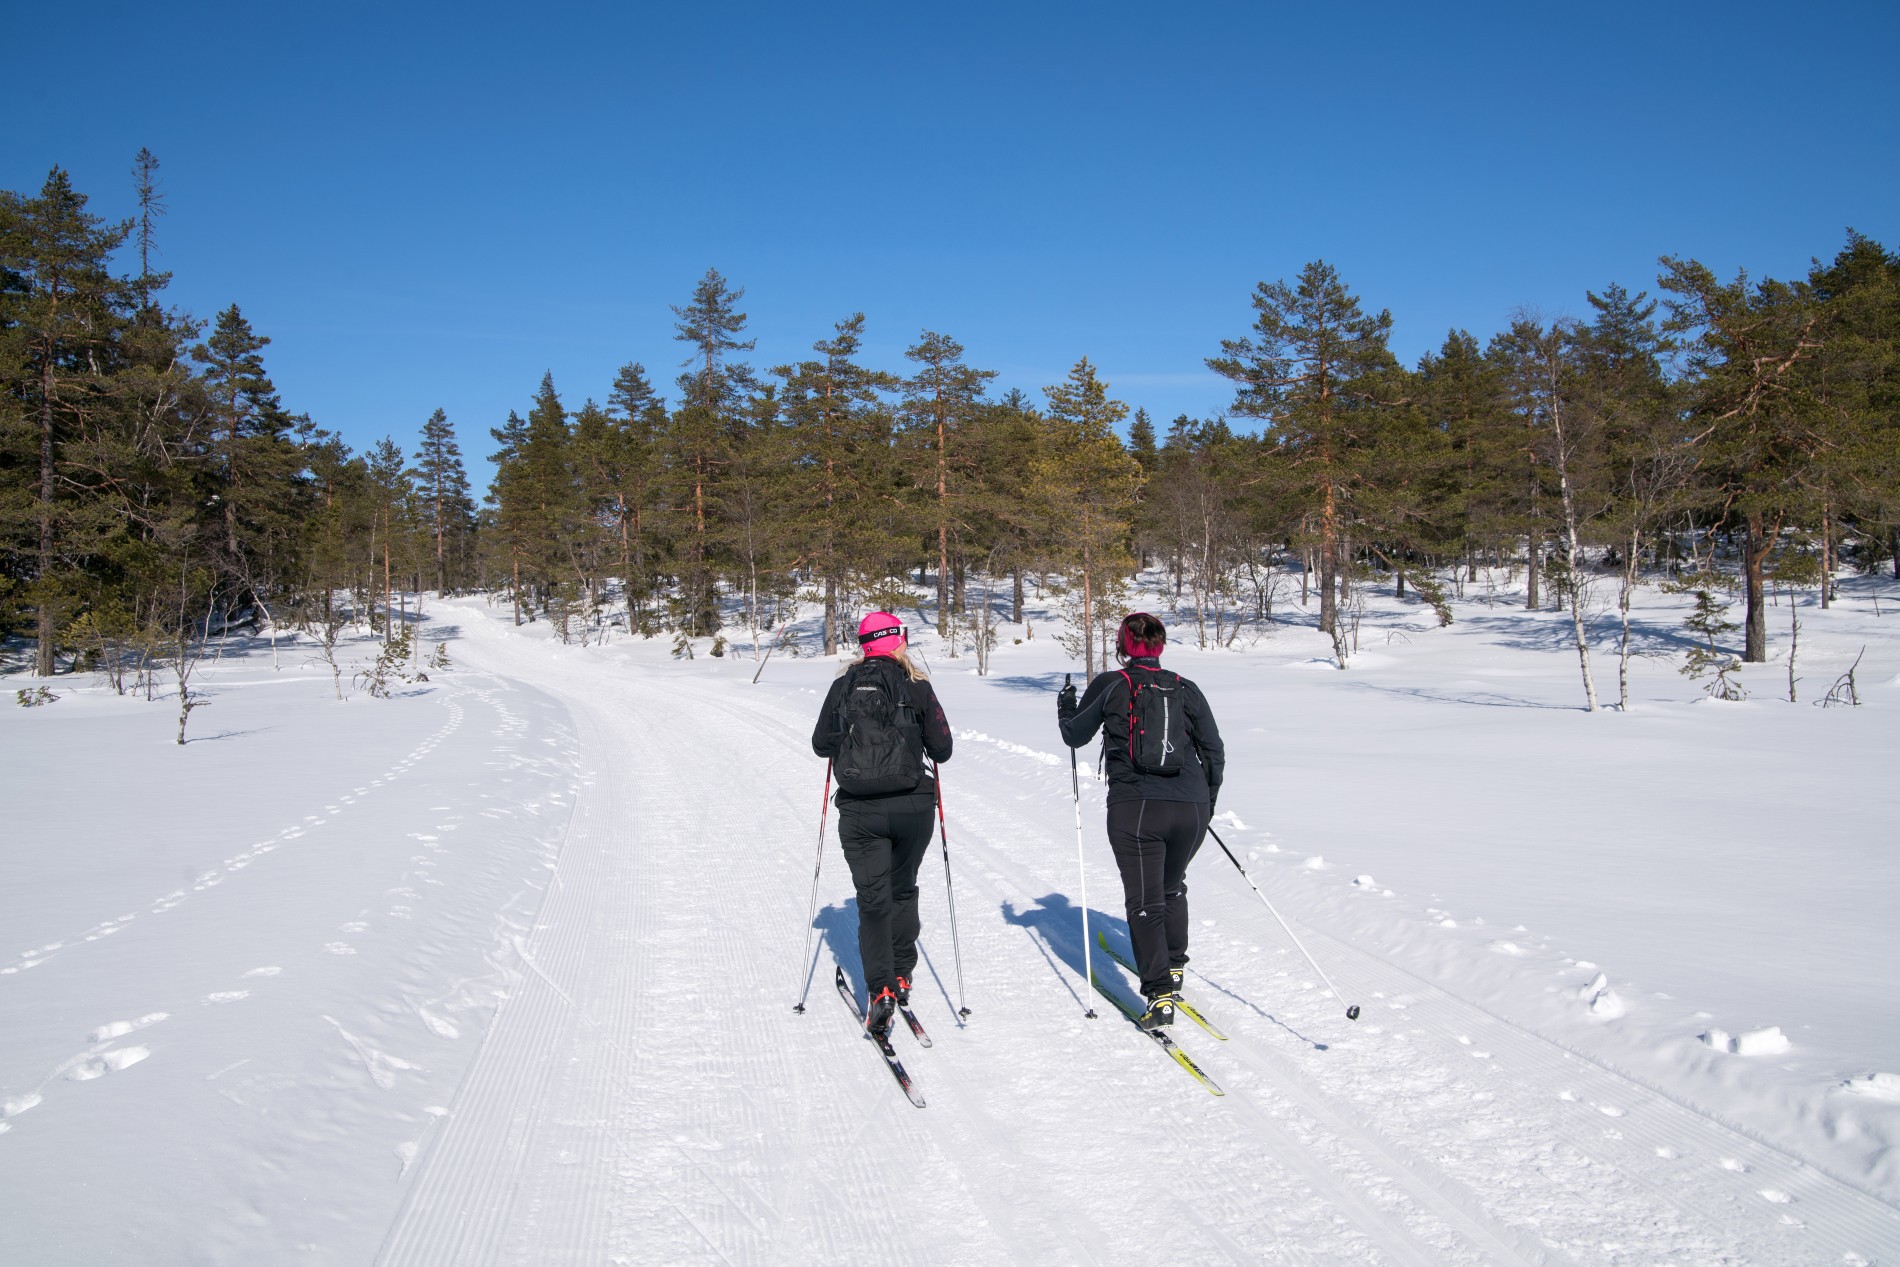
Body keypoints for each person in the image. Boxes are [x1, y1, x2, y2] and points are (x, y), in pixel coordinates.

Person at [1057, 612, 1224, 1030]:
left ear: (1123, 646)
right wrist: (1208, 802)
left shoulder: (1113, 684)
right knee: (1172, 886)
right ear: (1160, 647)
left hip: (1137, 806)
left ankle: (1160, 994)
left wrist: (1065, 704)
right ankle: (1175, 966)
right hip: (1192, 807)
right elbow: (1214, 750)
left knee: (1145, 901)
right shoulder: (1186, 688)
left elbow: (1075, 734)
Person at [811, 612, 954, 1039]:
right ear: (896, 642)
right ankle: (903, 975)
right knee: (903, 888)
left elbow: (821, 745)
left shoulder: (843, 687)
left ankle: (882, 990)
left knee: (873, 900)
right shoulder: (917, 686)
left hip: (860, 811)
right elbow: (942, 750)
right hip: (913, 807)